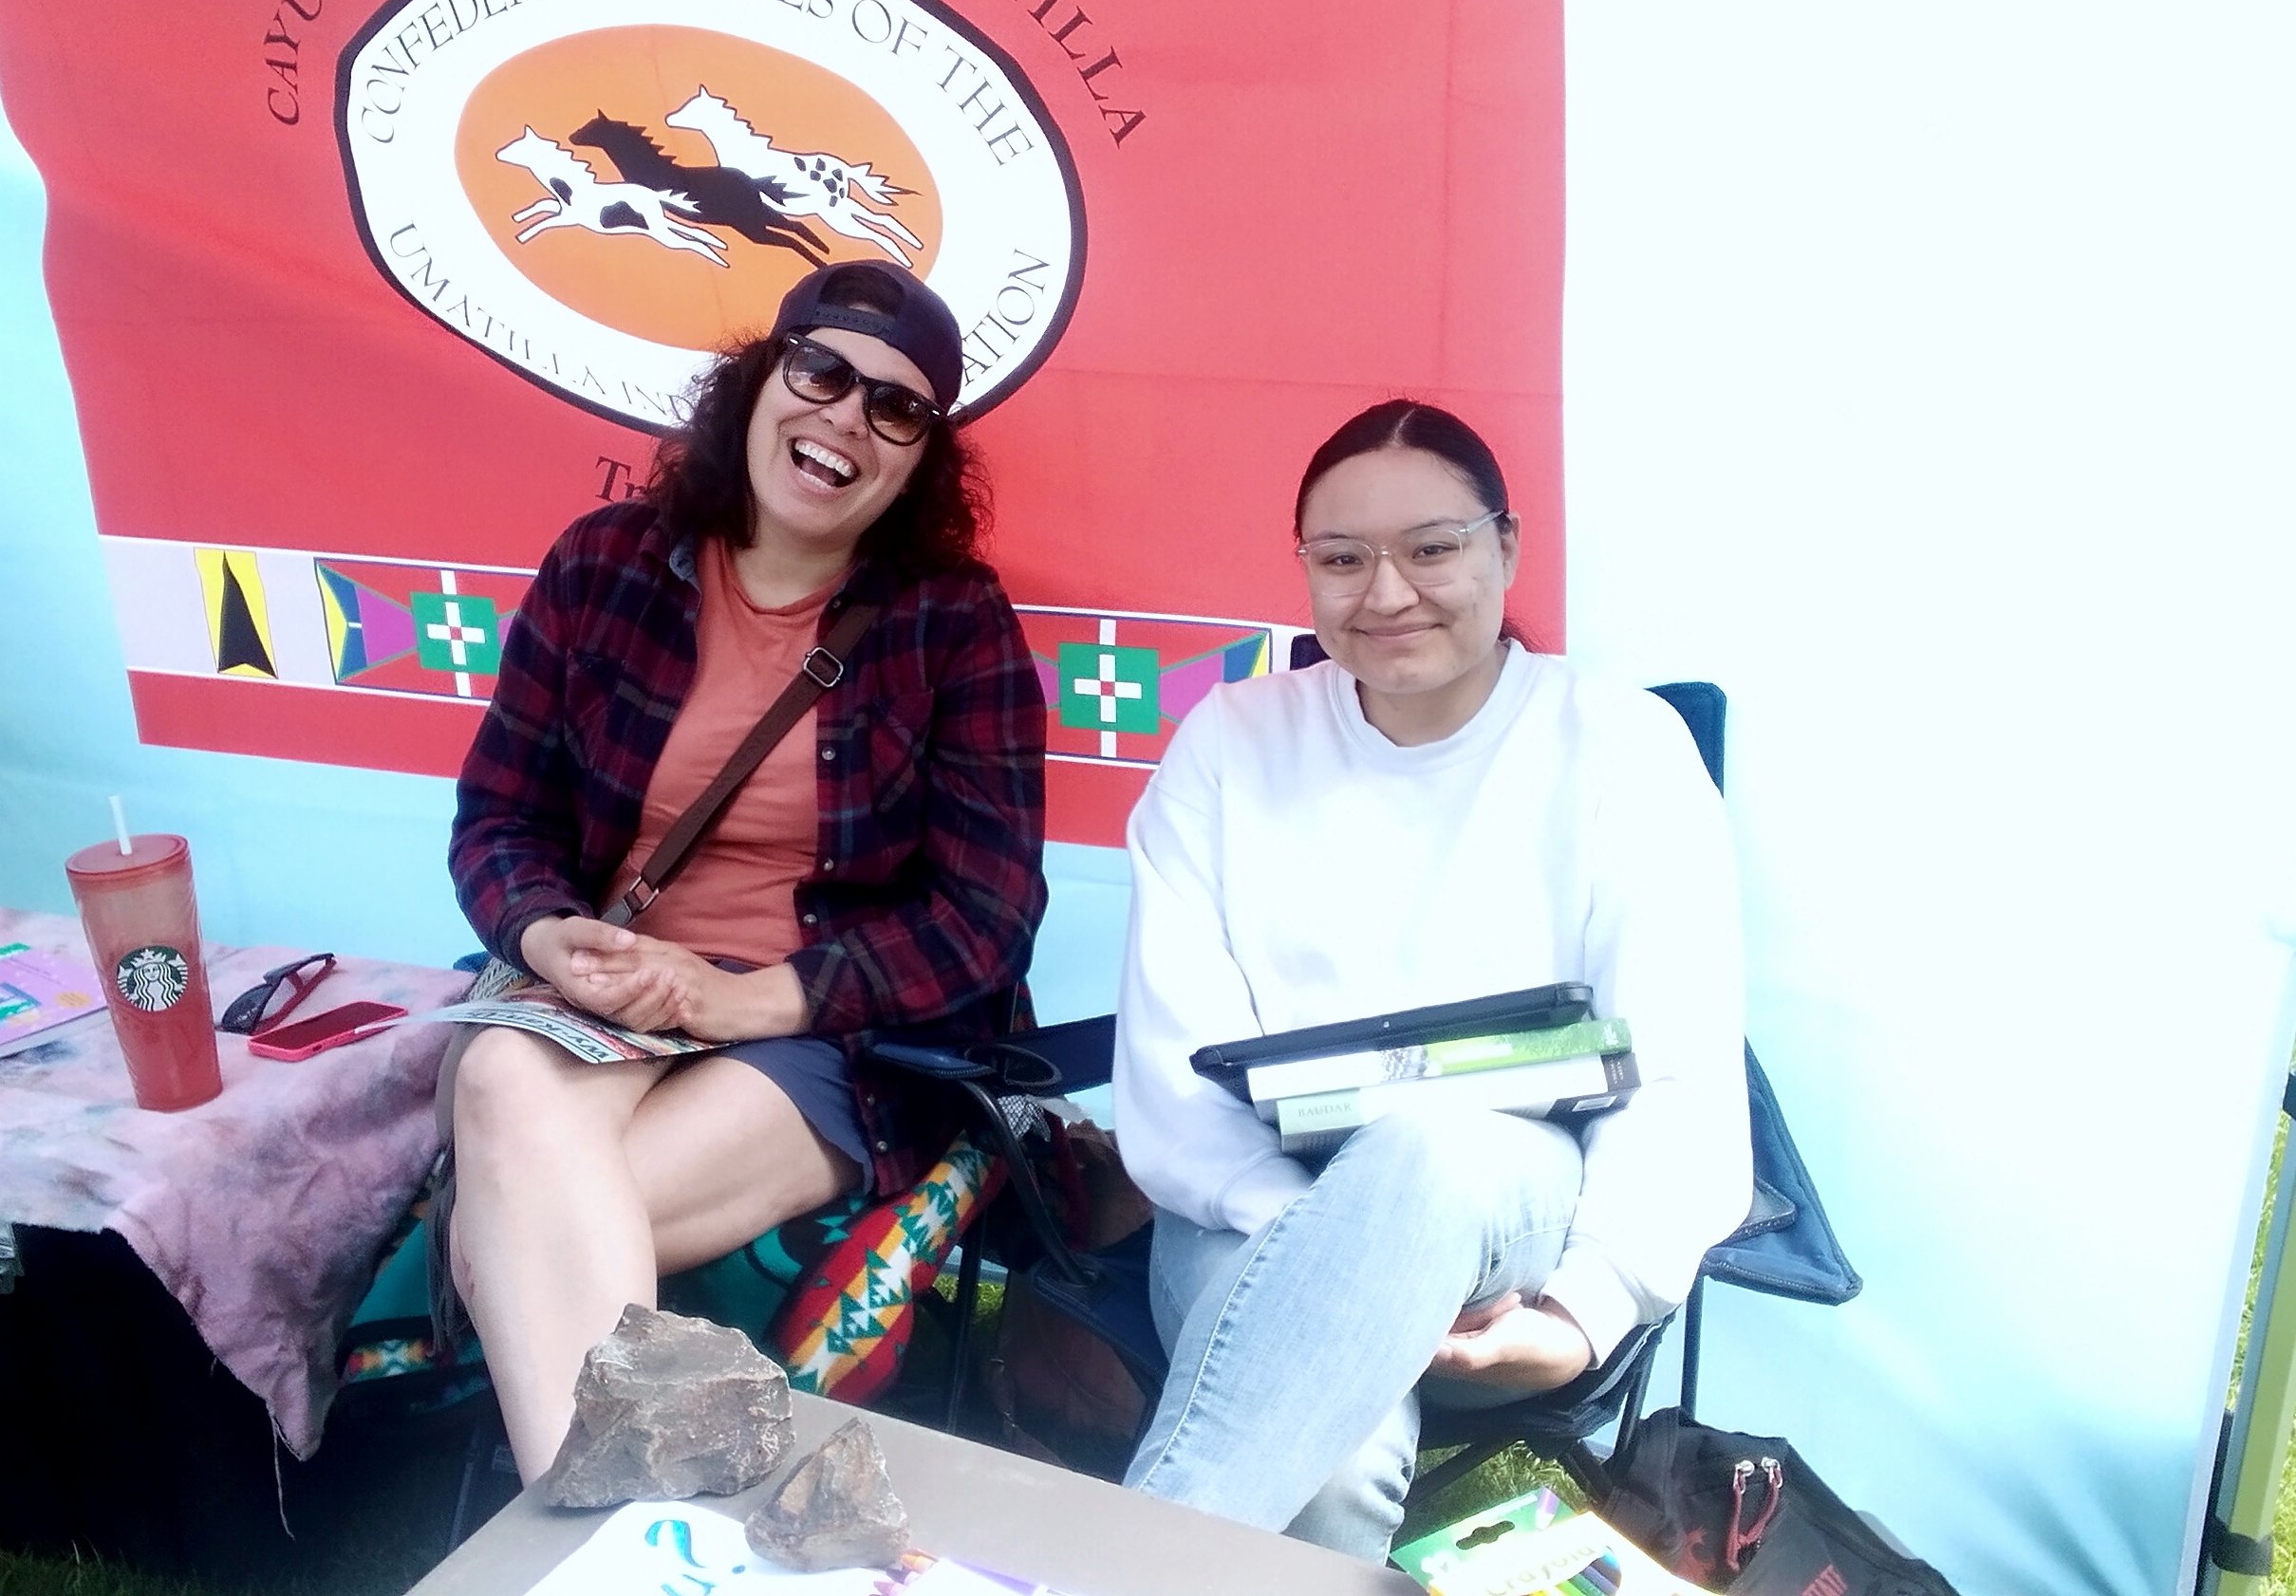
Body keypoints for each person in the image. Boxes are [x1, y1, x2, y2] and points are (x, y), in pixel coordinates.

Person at [1111, 399, 1751, 1560]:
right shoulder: (1230, 743)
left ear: (1505, 548)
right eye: (1342, 559)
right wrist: (1337, 1247)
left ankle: (1103, 1573)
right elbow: (1173, 1071)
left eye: (1433, 548)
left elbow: (1682, 1072)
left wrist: (1583, 1311)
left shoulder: (1622, 751)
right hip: (1253, 1201)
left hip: (1513, 1208)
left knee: (1428, 1143)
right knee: (1331, 1462)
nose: (1387, 591)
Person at [443, 261, 1048, 1482]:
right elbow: (498, 817)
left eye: (896, 406)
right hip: (601, 993)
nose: (844, 417)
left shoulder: (952, 623)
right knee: (510, 1078)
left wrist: (748, 1000)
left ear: (920, 456)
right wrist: (547, 935)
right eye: (820, 371)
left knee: (509, 1224)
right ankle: (648, 1518)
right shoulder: (604, 564)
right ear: (760, 378)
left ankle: (597, 1525)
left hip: (821, 1038)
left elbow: (985, 918)